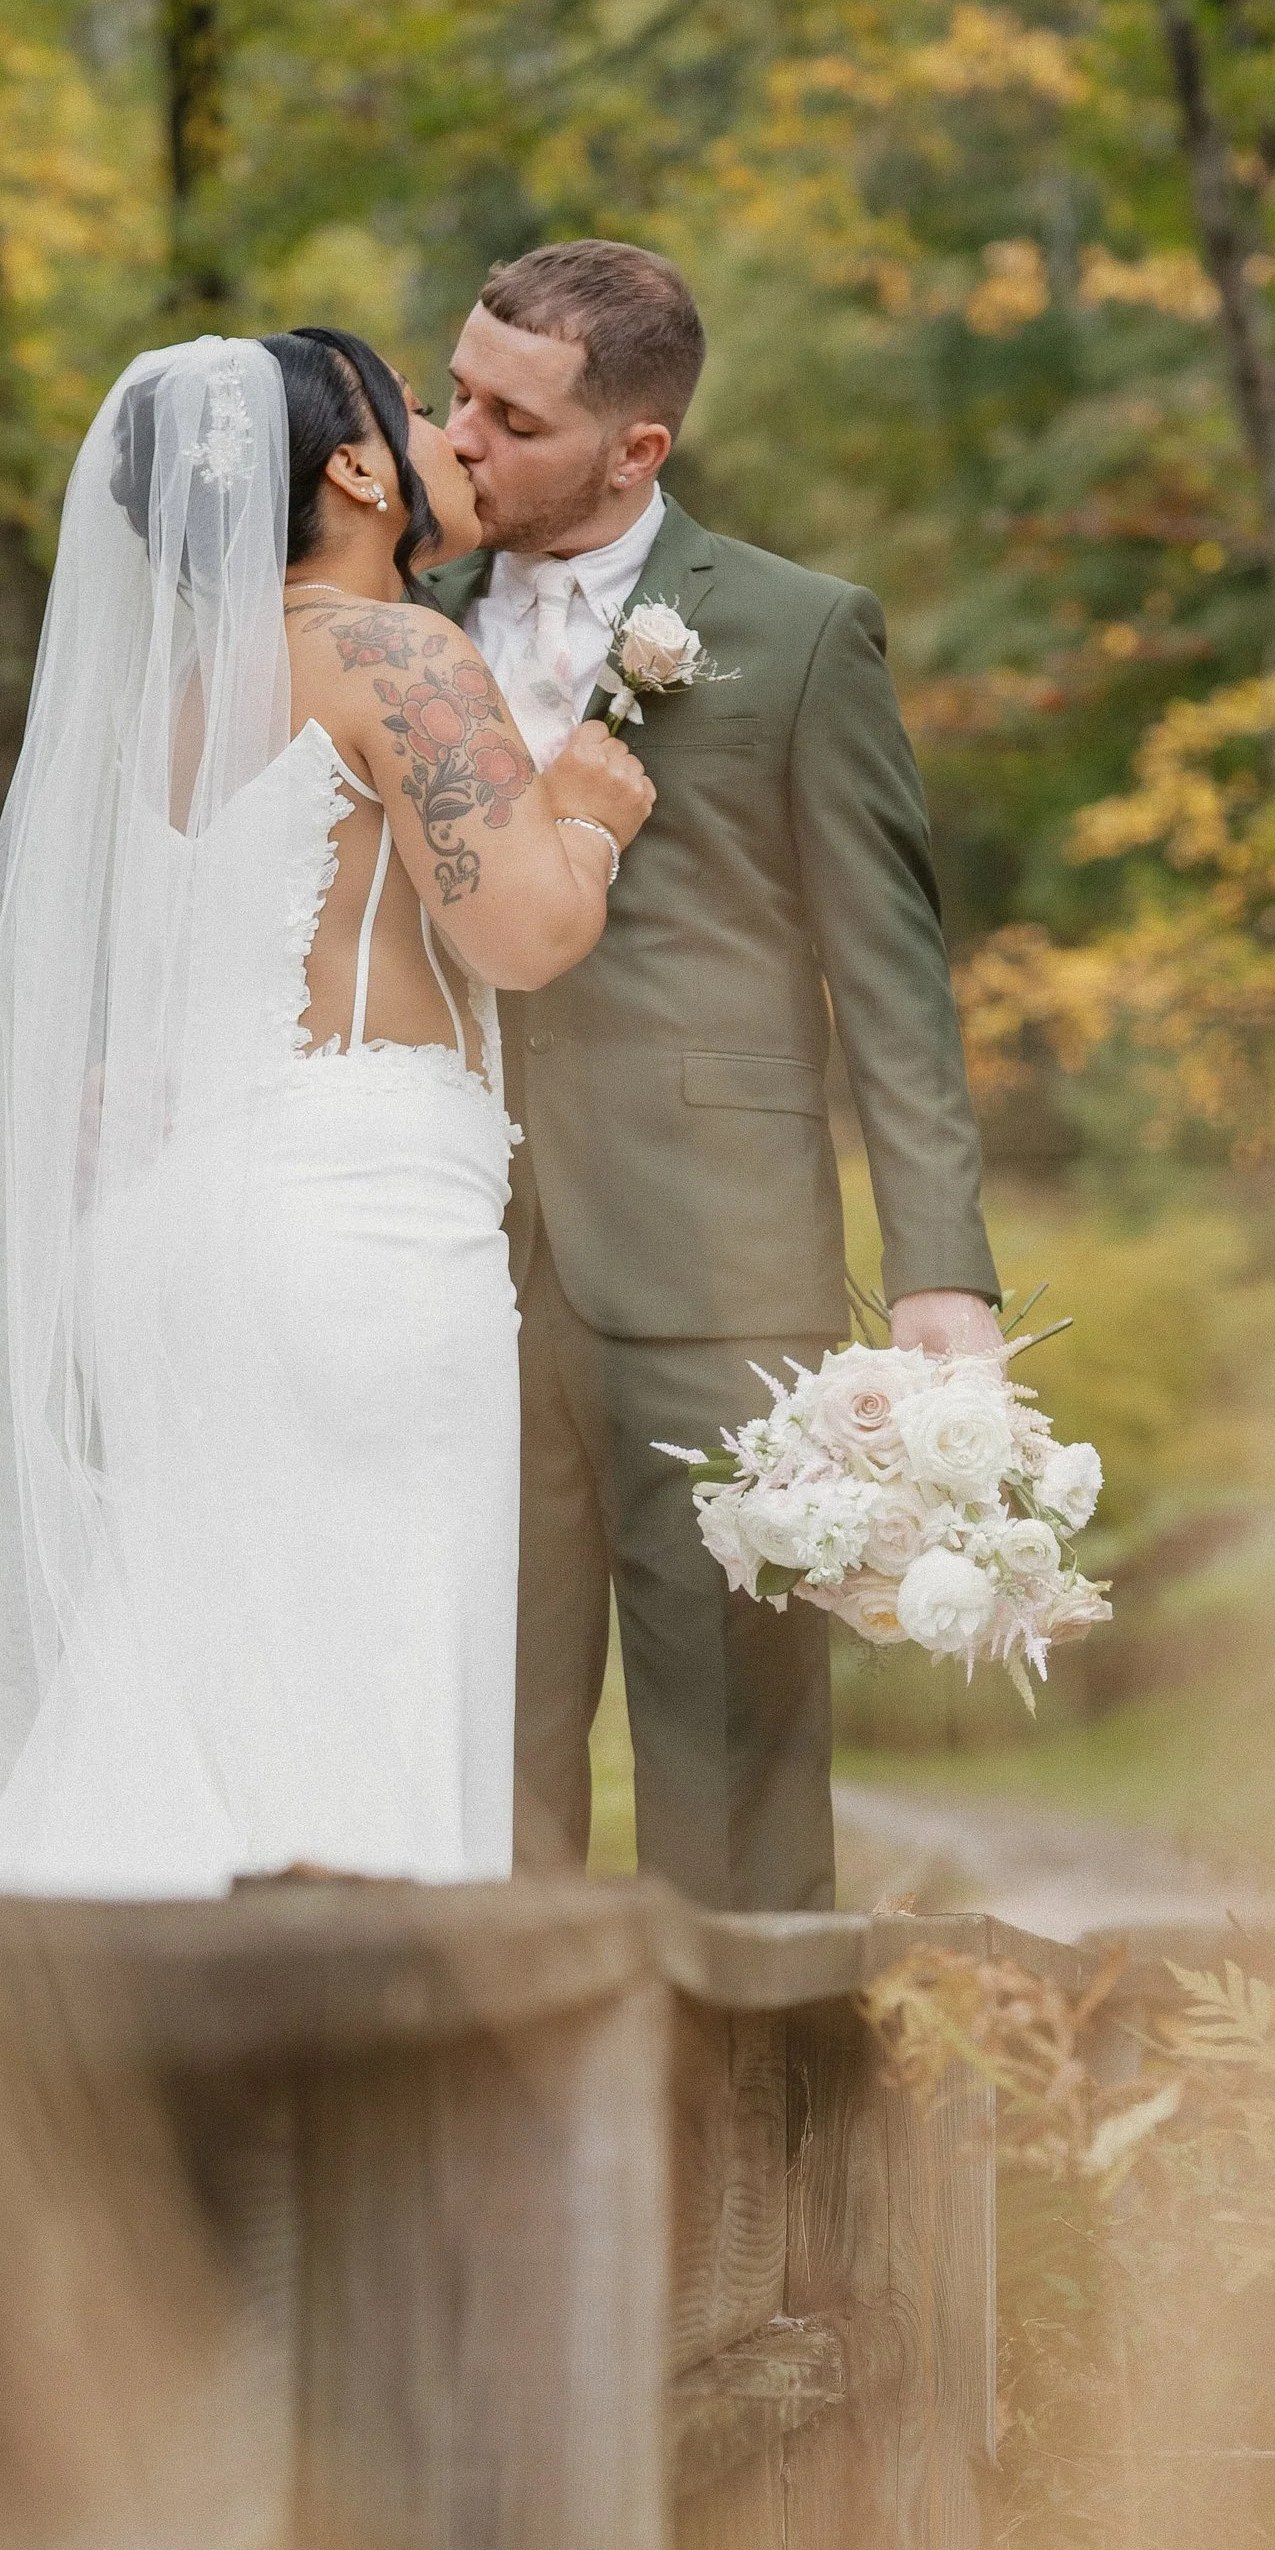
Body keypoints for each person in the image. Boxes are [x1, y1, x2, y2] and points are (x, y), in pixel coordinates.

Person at [0, 330, 654, 1896]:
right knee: (368, 1686)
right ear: (350, 466)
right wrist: (586, 823)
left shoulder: (172, 703)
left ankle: (87, 2057)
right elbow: (520, 934)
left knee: (182, 1678)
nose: (447, 438)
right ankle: (352, 2069)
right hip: (355, 1239)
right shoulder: (393, 651)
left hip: (180, 1238)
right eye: (415, 412)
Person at [425, 241, 1004, 1913]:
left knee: (732, 1768)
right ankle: (519, 2144)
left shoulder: (801, 635)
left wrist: (941, 1275)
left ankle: (751, 2157)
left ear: (637, 452)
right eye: (455, 391)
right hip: (447, 1258)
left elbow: (893, 982)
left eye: (509, 418)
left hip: (716, 1272)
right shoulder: (403, 623)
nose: (456, 439)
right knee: (477, 1751)